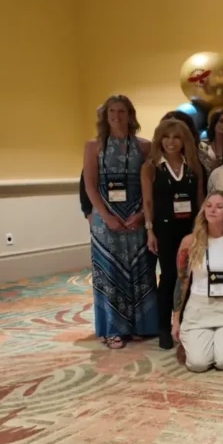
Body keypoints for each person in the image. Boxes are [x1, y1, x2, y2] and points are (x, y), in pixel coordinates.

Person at [82, 95, 158, 349]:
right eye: (112, 111)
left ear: (130, 114)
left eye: (122, 111)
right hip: (107, 220)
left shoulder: (145, 146)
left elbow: (151, 184)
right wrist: (105, 216)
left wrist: (141, 215)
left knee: (141, 270)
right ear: (105, 115)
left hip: (137, 217)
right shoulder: (93, 146)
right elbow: (89, 185)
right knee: (110, 272)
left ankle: (141, 326)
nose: (117, 115)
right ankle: (113, 329)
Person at [140, 118, 204, 349]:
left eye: (176, 137)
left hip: (189, 229)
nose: (171, 142)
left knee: (190, 276)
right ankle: (163, 329)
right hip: (164, 229)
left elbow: (199, 201)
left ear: (184, 140)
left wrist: (200, 230)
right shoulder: (151, 167)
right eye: (166, 137)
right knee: (168, 277)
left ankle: (186, 322)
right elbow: (147, 202)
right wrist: (150, 231)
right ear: (159, 139)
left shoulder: (194, 166)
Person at [172, 191, 223, 373]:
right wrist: (176, 319)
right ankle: (195, 341)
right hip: (199, 307)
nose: (212, 210)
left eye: (219, 206)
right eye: (208, 206)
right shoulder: (189, 242)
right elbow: (182, 281)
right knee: (198, 364)